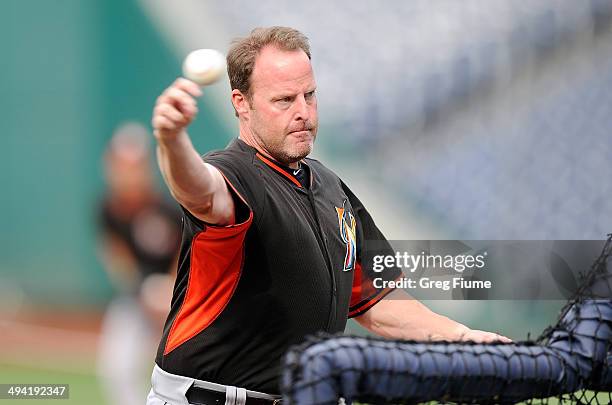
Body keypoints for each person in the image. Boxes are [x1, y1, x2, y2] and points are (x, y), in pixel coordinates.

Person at [147, 26, 510, 405]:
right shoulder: (235, 174)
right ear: (242, 103)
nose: (303, 112)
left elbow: (378, 303)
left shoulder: (330, 188)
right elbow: (200, 191)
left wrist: (465, 339)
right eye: (284, 100)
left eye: (310, 95)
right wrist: (172, 142)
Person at [96, 123, 181, 405]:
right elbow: (119, 260)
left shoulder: (167, 208)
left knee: (178, 373)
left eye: (134, 165)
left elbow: (185, 254)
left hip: (177, 300)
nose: (128, 173)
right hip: (137, 298)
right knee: (116, 367)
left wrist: (168, 291)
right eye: (122, 165)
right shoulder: (108, 209)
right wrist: (140, 290)